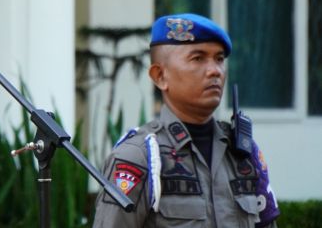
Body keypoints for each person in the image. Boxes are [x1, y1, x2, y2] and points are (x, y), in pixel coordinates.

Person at [93, 13, 279, 228]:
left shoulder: (243, 154)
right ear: (160, 76)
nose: (215, 71)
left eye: (219, 59)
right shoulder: (139, 157)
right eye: (198, 58)